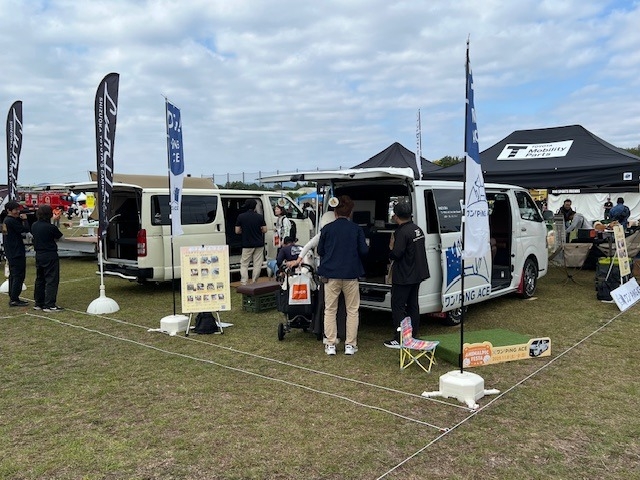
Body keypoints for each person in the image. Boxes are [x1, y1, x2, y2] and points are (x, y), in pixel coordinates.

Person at [317, 195, 368, 356]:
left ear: (335, 212)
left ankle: (330, 344)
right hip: (351, 274)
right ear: (350, 212)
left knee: (330, 309)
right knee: (352, 310)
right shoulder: (356, 229)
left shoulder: (327, 229)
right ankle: (350, 345)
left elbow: (320, 251)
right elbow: (364, 251)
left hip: (331, 274)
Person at [384, 201, 430, 348]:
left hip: (404, 275)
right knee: (413, 305)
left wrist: (390, 249)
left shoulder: (401, 232)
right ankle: (413, 334)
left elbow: (396, 254)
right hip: (417, 273)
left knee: (398, 306)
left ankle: (400, 338)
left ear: (396, 216)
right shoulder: (417, 229)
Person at [31, 204, 64, 312]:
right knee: (51, 279)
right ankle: (49, 304)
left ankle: (39, 303)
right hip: (50, 254)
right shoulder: (51, 227)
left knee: (40, 279)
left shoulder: (34, 225)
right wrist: (56, 222)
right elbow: (61, 238)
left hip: (39, 254)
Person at [2, 201, 30, 307]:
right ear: (9, 210)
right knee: (18, 275)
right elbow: (25, 230)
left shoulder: (6, 220)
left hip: (10, 250)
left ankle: (13, 296)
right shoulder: (11, 221)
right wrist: (25, 220)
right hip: (16, 251)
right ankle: (14, 298)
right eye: (15, 210)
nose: (18, 212)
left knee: (13, 275)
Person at [235, 199, 267, 285]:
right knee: (257, 264)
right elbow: (265, 230)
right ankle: (254, 281)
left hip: (247, 244)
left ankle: (244, 282)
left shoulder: (241, 216)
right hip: (259, 244)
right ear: (255, 207)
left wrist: (244, 231)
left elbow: (237, 231)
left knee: (244, 264)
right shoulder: (260, 217)